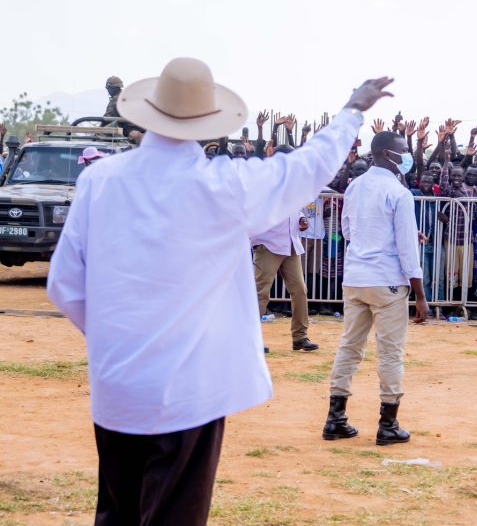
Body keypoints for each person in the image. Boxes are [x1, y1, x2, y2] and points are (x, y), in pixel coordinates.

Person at [47, 58, 391, 524]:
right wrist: (352, 110)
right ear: (208, 122)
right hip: (189, 387)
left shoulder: (98, 181)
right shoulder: (222, 185)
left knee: (117, 512)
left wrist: (116, 336)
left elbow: (65, 282)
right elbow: (305, 168)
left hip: (117, 385)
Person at [323, 130, 429, 446]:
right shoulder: (399, 193)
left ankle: (336, 418)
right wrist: (420, 295)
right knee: (390, 351)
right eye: (404, 150)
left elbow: (348, 230)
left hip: (356, 278)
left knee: (350, 346)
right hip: (387, 282)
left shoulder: (355, 186)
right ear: (387, 153)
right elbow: (408, 251)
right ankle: (388, 423)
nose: (408, 156)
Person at [251, 179, 320, 353]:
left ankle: (300, 337)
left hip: (290, 244)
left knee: (300, 290)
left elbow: (294, 211)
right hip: (268, 245)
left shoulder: (291, 184)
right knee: (261, 292)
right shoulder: (265, 183)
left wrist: (302, 219)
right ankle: (251, 340)